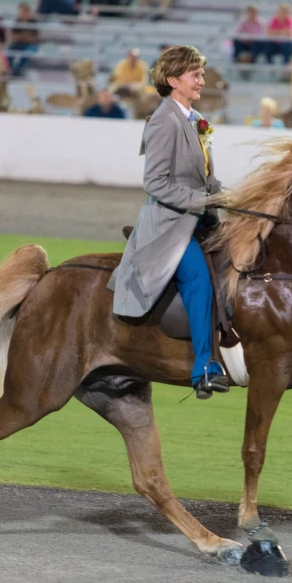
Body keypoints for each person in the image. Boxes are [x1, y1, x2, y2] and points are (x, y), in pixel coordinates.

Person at [107, 45, 229, 399]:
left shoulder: (194, 119)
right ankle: (203, 367)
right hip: (169, 226)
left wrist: (231, 196)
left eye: (201, 74)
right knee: (198, 280)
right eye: (195, 75)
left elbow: (205, 178)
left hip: (201, 217)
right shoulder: (163, 120)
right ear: (173, 80)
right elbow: (156, 183)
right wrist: (203, 201)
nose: (202, 80)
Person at [7, 2, 40, 77]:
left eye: (24, 12)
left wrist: (23, 36)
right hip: (19, 43)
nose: (22, 14)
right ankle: (11, 69)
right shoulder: (17, 22)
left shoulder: (33, 22)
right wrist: (24, 36)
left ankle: (18, 70)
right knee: (9, 51)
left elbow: (34, 38)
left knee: (28, 52)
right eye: (21, 12)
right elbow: (13, 37)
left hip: (31, 44)